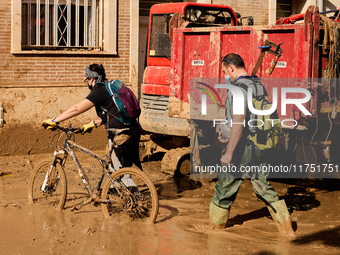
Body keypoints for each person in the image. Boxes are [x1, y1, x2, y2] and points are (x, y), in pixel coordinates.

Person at [209, 53, 295, 237]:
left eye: (225, 71)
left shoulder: (237, 89)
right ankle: (287, 230)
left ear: (231, 68)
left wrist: (229, 152)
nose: (226, 75)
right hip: (260, 144)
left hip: (243, 147)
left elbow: (239, 120)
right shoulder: (258, 84)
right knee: (262, 186)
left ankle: (213, 231)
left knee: (224, 188)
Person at [42, 64, 142, 172]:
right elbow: (114, 113)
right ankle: (112, 188)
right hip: (131, 130)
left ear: (94, 79)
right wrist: (93, 124)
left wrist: (55, 120)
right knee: (116, 167)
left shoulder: (99, 90)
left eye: (88, 79)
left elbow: (77, 109)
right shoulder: (109, 88)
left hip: (119, 134)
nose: (88, 83)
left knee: (120, 173)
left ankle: (130, 188)